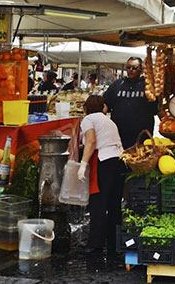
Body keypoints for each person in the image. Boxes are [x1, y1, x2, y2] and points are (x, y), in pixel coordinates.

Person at [77, 94, 124, 255]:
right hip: (118, 161)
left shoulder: (89, 119)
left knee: (98, 203)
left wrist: (82, 165)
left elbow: (90, 141)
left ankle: (95, 244)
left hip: (103, 162)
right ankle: (113, 243)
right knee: (114, 204)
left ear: (85, 108)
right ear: (103, 107)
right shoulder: (108, 120)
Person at [103, 57, 157, 150]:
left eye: (134, 68)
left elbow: (157, 108)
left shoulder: (148, 86)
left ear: (141, 69)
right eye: (128, 67)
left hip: (142, 137)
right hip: (118, 136)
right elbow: (105, 104)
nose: (131, 70)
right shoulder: (117, 84)